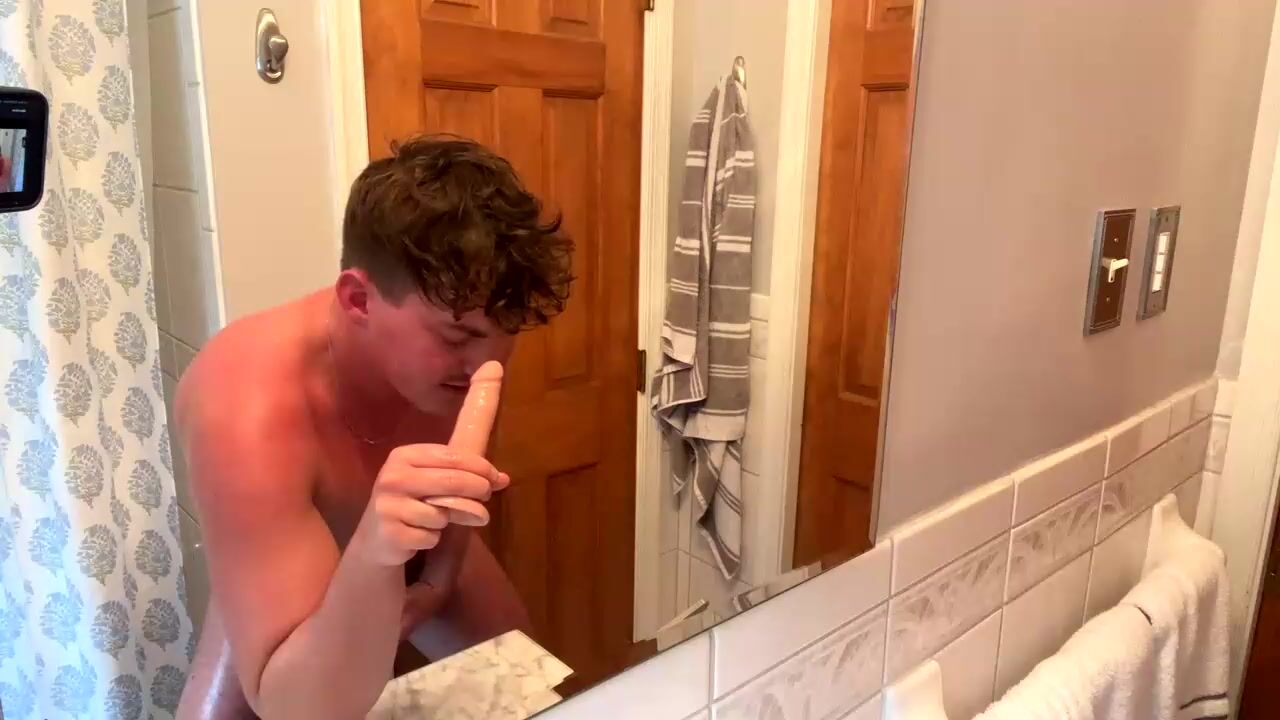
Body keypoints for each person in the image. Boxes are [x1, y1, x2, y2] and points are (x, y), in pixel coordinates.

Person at [174, 136, 574, 719]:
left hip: (406, 533)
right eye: (458, 337)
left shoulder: (464, 357)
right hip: (283, 551)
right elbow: (296, 710)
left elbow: (456, 482)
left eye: (504, 335)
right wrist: (371, 559)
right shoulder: (245, 407)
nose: (489, 365)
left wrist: (436, 582)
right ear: (359, 299)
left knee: (525, 684)